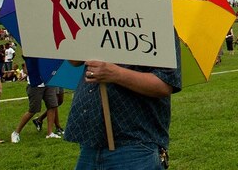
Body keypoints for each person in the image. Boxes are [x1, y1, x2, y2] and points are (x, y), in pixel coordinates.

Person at [64, 33, 182, 169]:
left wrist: (115, 74)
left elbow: (165, 84)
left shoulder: (157, 24)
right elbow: (73, 60)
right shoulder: (95, 21)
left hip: (135, 145)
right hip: (91, 143)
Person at [10, 57, 62, 143]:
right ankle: (16, 132)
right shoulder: (31, 53)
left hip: (49, 82)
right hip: (35, 85)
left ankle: (50, 133)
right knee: (33, 110)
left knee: (52, 106)